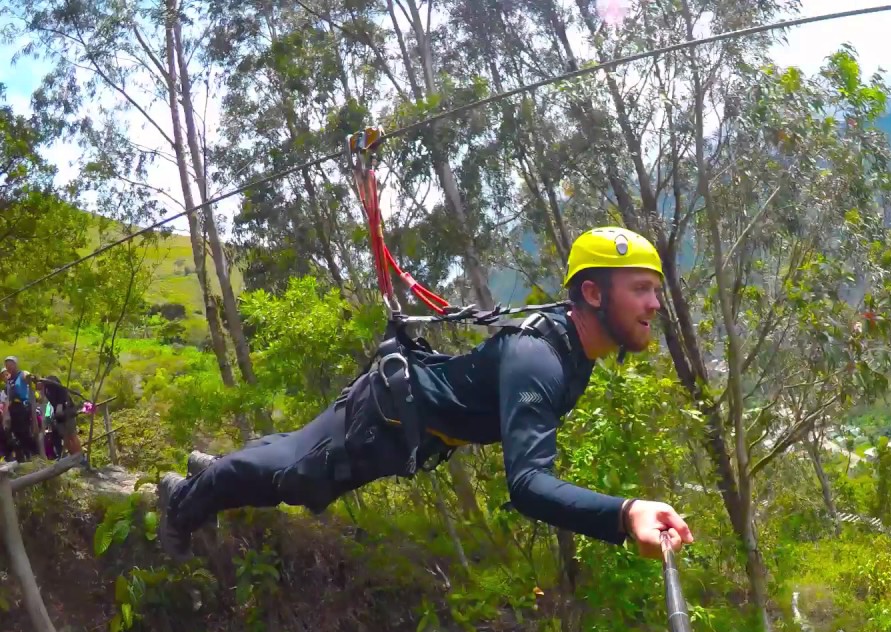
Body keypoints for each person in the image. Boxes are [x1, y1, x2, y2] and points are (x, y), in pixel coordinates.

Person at [159, 227, 694, 562]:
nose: (655, 304)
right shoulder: (542, 360)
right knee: (294, 478)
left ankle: (211, 475)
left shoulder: (575, 348)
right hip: (386, 416)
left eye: (655, 289)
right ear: (595, 294)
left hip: (404, 424)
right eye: (640, 289)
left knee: (294, 462)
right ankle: (182, 503)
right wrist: (624, 514)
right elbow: (529, 485)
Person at [4, 357, 40, 462]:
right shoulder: (9, 380)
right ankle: (24, 457)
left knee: (25, 432)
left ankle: (35, 455)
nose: (8, 367)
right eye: (6, 365)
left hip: (22, 407)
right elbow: (8, 398)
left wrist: (31, 377)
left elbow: (29, 377)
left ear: (15, 364)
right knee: (16, 434)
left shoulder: (22, 374)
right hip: (13, 408)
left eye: (10, 364)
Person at [42, 375, 82, 458]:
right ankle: (75, 457)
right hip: (59, 417)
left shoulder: (60, 389)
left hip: (67, 413)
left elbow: (63, 400)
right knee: (65, 438)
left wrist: (59, 408)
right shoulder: (46, 391)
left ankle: (80, 456)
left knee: (72, 435)